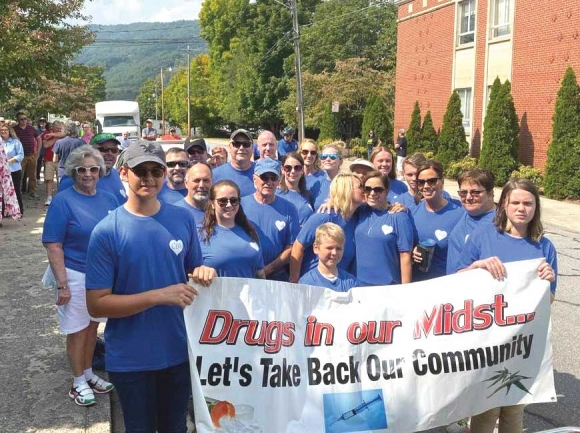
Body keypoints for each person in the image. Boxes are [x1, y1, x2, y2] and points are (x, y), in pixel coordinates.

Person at [85, 141, 216, 432]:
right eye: (140, 171)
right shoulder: (107, 231)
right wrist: (158, 296)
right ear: (123, 174)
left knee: (175, 427)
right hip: (131, 358)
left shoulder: (181, 218)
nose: (149, 178)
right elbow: (96, 303)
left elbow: (191, 268)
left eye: (156, 171)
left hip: (178, 351)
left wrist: (202, 271)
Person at [456, 178, 557, 433]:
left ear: (536, 207)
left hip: (522, 341)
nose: (522, 208)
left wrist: (547, 282)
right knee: (487, 408)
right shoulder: (483, 237)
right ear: (504, 206)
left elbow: (550, 301)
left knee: (514, 407)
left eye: (528, 203)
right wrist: (477, 267)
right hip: (488, 337)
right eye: (516, 202)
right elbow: (456, 283)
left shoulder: (544, 247)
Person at [42, 145, 119, 406]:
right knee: (76, 330)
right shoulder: (63, 200)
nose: (88, 174)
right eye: (82, 169)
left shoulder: (109, 199)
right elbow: (53, 244)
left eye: (93, 169)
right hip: (73, 274)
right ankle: (77, 382)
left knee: (92, 327)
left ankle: (88, 373)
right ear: (74, 171)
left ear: (101, 171)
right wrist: (62, 284)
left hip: (101, 277)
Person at [290, 173, 365, 282]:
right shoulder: (325, 216)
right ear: (346, 190)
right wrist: (294, 281)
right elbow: (298, 246)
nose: (365, 190)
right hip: (315, 283)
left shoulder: (357, 217)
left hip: (340, 282)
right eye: (360, 187)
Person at [241, 158, 300, 281]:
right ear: (254, 179)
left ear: (279, 181)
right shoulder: (240, 205)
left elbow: (291, 246)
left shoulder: (289, 208)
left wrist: (268, 269)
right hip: (244, 273)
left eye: (273, 178)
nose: (269, 182)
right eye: (264, 177)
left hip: (277, 276)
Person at [355, 171, 414, 285]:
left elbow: (405, 255)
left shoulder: (399, 216)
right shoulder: (361, 210)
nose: (372, 193)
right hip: (359, 284)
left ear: (386, 191)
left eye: (378, 189)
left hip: (387, 285)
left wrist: (406, 290)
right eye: (367, 189)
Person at [411, 159, 465, 281]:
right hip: (417, 283)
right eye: (421, 182)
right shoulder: (412, 211)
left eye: (431, 181)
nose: (426, 186)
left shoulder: (460, 214)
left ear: (442, 181)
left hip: (444, 285)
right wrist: (412, 252)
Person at [199, 180, 265, 278]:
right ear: (212, 203)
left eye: (234, 200)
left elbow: (260, 274)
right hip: (216, 293)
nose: (229, 205)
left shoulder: (250, 231)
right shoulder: (200, 235)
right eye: (223, 201)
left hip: (249, 292)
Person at [446, 168, 496, 274]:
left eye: (475, 192)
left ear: (490, 194)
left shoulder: (501, 223)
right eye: (463, 193)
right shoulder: (464, 211)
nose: (468, 197)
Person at [58, 133, 127, 205]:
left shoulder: (115, 173)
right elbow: (62, 206)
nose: (110, 153)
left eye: (114, 150)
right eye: (103, 149)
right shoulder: (74, 179)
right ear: (91, 152)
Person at [299, 223, 359, 291]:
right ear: (316, 248)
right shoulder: (307, 283)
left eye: (338, 249)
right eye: (329, 248)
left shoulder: (350, 282)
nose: (334, 253)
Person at [212, 129, 256, 196]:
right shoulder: (214, 175)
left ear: (252, 147)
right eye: (236, 144)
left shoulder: (262, 173)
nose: (241, 148)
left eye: (246, 144)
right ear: (229, 147)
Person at [277, 152, 313, 226]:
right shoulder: (275, 194)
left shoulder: (308, 194)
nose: (293, 171)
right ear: (282, 170)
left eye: (297, 168)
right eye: (288, 168)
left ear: (302, 170)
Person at [174, 161, 213, 225]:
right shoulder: (175, 213)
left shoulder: (220, 210)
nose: (201, 185)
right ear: (186, 183)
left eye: (206, 180)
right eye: (196, 180)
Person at [14, 112, 41, 198]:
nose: (24, 120)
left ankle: (33, 192)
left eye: (25, 118)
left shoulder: (31, 128)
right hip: (20, 156)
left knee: (32, 175)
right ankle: (19, 192)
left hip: (32, 155)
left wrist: (38, 150)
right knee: (20, 175)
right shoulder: (14, 129)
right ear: (18, 120)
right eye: (21, 119)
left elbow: (39, 139)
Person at [312, 142, 344, 210]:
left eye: (333, 156)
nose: (328, 159)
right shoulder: (317, 184)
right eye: (324, 157)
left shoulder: (347, 183)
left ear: (340, 162)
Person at [1, 125, 24, 217]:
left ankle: (19, 211)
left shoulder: (16, 142)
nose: (3, 131)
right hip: (2, 172)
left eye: (5, 130)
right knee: (3, 193)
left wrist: (8, 161)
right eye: (1, 130)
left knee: (16, 191)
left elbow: (20, 155)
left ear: (9, 131)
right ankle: (4, 213)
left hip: (14, 170)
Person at [41, 120, 65, 206]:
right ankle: (49, 197)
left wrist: (53, 135)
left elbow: (64, 134)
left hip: (61, 160)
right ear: (53, 128)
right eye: (57, 128)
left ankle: (60, 197)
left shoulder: (62, 134)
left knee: (61, 179)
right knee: (49, 179)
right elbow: (45, 145)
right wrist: (55, 138)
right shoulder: (46, 134)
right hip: (49, 159)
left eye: (60, 128)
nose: (59, 130)